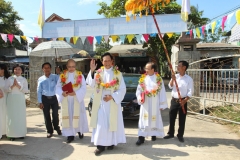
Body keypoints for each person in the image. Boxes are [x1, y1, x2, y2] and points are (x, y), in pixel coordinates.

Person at [86, 52, 126, 156]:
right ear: (102, 62)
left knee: (111, 123)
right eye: (105, 61)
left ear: (112, 61)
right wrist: (91, 70)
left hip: (112, 102)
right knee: (101, 124)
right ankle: (100, 146)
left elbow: (122, 89)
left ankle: (111, 142)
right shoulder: (98, 73)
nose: (107, 62)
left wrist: (112, 96)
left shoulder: (118, 74)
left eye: (109, 60)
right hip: (101, 102)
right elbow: (91, 84)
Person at [56, 59, 89, 143]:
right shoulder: (62, 75)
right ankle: (70, 135)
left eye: (73, 66)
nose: (71, 68)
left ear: (75, 66)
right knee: (69, 117)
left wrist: (76, 93)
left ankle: (79, 131)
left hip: (76, 99)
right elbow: (58, 87)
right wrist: (62, 93)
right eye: (69, 67)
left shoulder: (79, 74)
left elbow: (84, 87)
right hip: (67, 99)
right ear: (67, 66)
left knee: (78, 116)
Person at [135, 62, 168, 145]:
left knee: (154, 118)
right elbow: (139, 90)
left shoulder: (158, 79)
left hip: (155, 102)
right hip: (145, 102)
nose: (145, 70)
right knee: (143, 119)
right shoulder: (143, 78)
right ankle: (141, 137)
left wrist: (162, 104)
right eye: (145, 68)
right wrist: (140, 98)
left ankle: (154, 134)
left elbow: (162, 91)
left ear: (153, 69)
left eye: (147, 68)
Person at [164, 60, 194, 143]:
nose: (177, 67)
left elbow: (190, 91)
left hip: (183, 101)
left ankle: (180, 135)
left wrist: (185, 100)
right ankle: (170, 133)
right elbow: (170, 86)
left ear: (184, 67)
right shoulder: (175, 76)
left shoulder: (189, 79)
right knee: (171, 117)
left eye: (179, 66)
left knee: (182, 118)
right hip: (174, 100)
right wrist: (172, 80)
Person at [37, 62, 61, 138]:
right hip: (45, 98)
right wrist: (40, 102)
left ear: (50, 69)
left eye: (48, 67)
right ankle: (49, 131)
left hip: (54, 98)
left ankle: (56, 127)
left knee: (55, 114)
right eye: (45, 68)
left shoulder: (55, 77)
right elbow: (39, 91)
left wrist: (59, 74)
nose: (47, 69)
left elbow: (61, 84)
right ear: (42, 69)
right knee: (46, 115)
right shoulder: (40, 79)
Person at [5, 64, 28, 141]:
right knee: (12, 116)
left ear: (22, 71)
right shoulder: (10, 78)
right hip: (11, 99)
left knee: (20, 116)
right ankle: (12, 134)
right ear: (13, 70)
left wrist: (18, 86)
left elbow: (26, 90)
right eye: (15, 69)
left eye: (19, 69)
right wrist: (12, 86)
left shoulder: (24, 79)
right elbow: (5, 89)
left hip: (20, 99)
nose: (17, 71)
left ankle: (21, 133)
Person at [0, 64, 10, 139]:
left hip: (6, 97)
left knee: (6, 114)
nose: (1, 70)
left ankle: (6, 131)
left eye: (2, 69)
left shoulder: (8, 78)